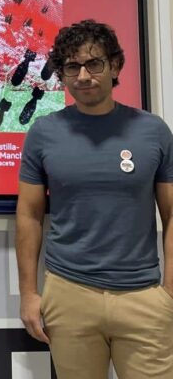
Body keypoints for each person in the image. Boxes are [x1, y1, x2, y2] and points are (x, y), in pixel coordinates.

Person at [16, 19, 173, 379]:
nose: (83, 76)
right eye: (72, 67)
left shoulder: (153, 131)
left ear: (115, 66)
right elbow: (28, 216)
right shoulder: (43, 133)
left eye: (94, 64)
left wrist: (169, 292)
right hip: (69, 294)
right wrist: (28, 294)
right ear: (62, 73)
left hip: (143, 295)